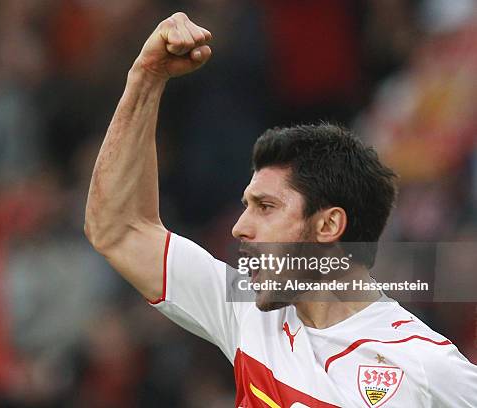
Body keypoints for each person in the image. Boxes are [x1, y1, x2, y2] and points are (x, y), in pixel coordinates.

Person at [84, 12, 477, 407]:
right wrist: (146, 79)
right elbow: (118, 229)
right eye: (246, 207)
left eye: (266, 207)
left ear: (328, 225)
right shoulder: (246, 313)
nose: (239, 228)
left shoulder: (428, 367)